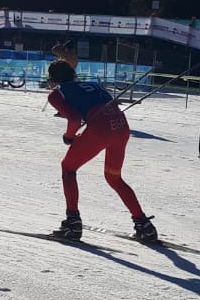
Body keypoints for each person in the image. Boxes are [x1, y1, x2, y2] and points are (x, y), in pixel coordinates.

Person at [45, 46, 157, 243]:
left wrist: (69, 137)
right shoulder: (95, 85)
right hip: (121, 127)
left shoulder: (56, 94)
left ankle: (73, 223)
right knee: (113, 177)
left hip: (100, 130)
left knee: (68, 168)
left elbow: (74, 119)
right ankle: (143, 224)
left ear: (53, 80)